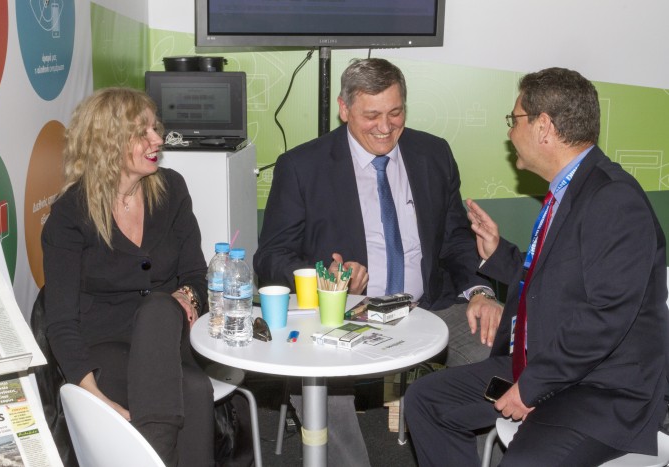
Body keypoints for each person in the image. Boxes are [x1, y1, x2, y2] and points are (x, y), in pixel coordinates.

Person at [405, 67, 668, 466]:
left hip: (600, 390)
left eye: (515, 120)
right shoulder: (571, 189)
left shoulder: (614, 200)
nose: (510, 133)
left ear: (543, 126)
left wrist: (531, 388)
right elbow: (556, 280)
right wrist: (498, 254)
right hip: (548, 365)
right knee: (427, 400)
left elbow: (605, 318)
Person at [254, 58, 503, 365]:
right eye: (372, 116)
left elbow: (456, 239)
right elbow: (271, 256)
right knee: (330, 379)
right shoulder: (302, 167)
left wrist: (480, 293)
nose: (385, 128)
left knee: (500, 352)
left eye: (395, 113)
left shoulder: (433, 154)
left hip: (430, 308)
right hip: (343, 315)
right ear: (344, 109)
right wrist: (324, 281)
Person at [42, 87, 214, 467]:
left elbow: (195, 275)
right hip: (105, 346)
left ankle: (154, 457)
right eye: (142, 133)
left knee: (159, 309)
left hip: (168, 338)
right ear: (108, 143)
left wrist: (187, 295)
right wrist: (93, 395)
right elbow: (60, 322)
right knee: (195, 389)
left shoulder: (171, 190)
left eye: (155, 128)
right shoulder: (70, 216)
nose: (158, 140)